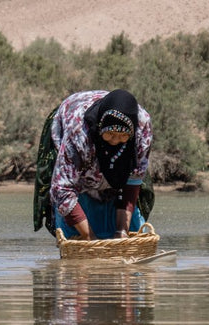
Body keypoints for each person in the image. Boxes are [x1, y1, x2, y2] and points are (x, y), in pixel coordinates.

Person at [33, 89, 153, 240]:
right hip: (73, 123)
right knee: (77, 232)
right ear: (101, 127)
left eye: (122, 136)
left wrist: (122, 231)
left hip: (118, 151)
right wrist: (91, 239)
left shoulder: (141, 128)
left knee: (128, 231)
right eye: (110, 134)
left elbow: (133, 179)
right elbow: (62, 190)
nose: (115, 141)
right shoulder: (79, 133)